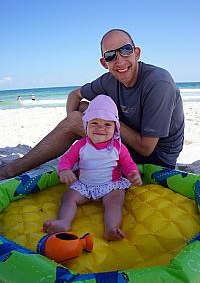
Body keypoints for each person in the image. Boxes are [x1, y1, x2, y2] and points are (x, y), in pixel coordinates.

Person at [0, 28, 184, 180]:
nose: (119, 60)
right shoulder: (109, 80)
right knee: (81, 111)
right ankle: (87, 147)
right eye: (111, 55)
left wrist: (81, 123)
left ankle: (11, 170)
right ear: (104, 63)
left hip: (155, 160)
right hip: (129, 144)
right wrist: (79, 128)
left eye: (126, 50)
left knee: (80, 117)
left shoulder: (158, 83)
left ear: (137, 53)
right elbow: (75, 94)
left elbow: (147, 148)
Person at [43, 95, 142, 241]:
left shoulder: (119, 147)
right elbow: (67, 159)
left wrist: (133, 173)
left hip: (110, 186)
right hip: (84, 185)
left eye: (107, 124)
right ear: (86, 126)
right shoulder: (81, 145)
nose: (100, 128)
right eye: (94, 123)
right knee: (68, 197)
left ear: (115, 128)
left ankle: (111, 228)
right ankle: (64, 222)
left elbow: (128, 163)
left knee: (115, 202)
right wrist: (65, 170)